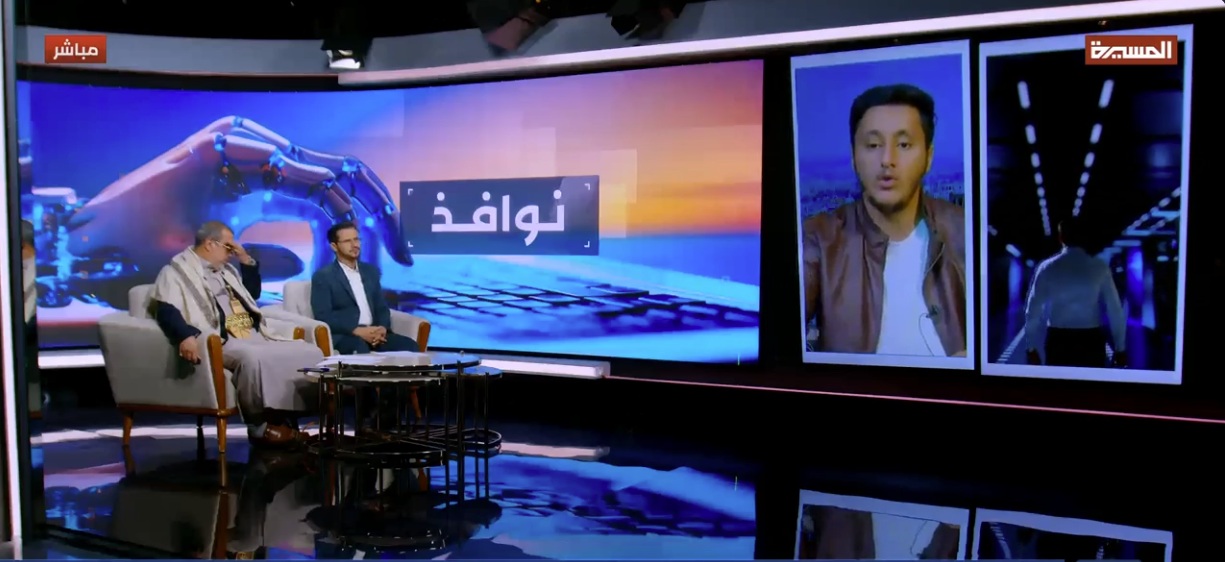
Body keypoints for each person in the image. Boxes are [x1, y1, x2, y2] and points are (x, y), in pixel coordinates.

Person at [802, 84, 967, 357]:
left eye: (903, 145)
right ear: (854, 156)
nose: (887, 160)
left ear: (929, 157)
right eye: (873, 145)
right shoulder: (818, 238)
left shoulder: (964, 231)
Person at [149, 221, 323, 447]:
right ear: (210, 244)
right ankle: (259, 426)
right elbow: (166, 310)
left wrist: (245, 260)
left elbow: (252, 295)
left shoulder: (227, 271)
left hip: (250, 332)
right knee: (252, 358)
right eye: (228, 247)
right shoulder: (176, 272)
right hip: (219, 337)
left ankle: (292, 417)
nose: (231, 252)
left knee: (308, 351)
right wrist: (185, 336)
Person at [1023, 218, 1127, 368]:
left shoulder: (1047, 267)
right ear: (1084, 237)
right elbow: (1114, 309)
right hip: (1091, 341)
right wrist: (1120, 348)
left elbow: (1033, 309)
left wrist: (1030, 347)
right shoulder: (1100, 267)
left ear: (1061, 237)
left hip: (1058, 341)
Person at [311, 221, 419, 355]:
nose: (354, 245)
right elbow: (323, 316)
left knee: (410, 345)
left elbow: (381, 308)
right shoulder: (323, 276)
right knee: (360, 348)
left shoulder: (371, 272)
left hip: (375, 333)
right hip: (347, 335)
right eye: (347, 241)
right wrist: (357, 330)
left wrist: (382, 328)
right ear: (334, 246)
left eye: (356, 239)